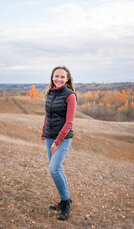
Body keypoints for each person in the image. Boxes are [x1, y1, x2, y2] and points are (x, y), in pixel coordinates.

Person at [41, 66, 76, 220]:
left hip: (63, 138)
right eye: (57, 76)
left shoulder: (70, 96)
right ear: (52, 77)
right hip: (50, 136)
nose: (59, 79)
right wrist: (44, 131)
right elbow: (47, 114)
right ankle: (63, 200)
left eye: (62, 77)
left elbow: (69, 122)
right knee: (56, 169)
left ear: (67, 79)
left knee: (54, 169)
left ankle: (67, 203)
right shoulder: (50, 93)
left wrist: (57, 142)